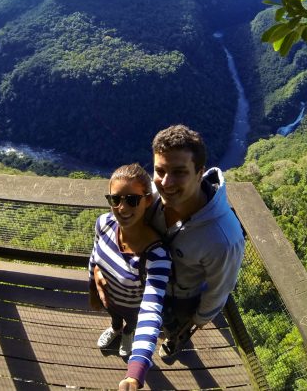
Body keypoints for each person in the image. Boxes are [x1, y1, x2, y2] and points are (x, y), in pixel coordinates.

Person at [95, 125, 245, 368]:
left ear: (200, 172)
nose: (166, 182)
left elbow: (219, 289)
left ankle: (176, 339)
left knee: (172, 329)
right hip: (147, 286)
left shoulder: (224, 237)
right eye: (160, 170)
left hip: (183, 299)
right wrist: (99, 269)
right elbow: (119, 225)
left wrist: (196, 320)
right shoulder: (150, 196)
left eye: (179, 172)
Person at [89, 163, 172, 390]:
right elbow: (95, 254)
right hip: (112, 300)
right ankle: (117, 329)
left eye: (132, 200)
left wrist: (135, 373)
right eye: (115, 199)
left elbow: (151, 311)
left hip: (136, 308)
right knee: (115, 320)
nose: (122, 208)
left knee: (133, 325)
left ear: (147, 200)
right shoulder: (104, 223)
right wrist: (94, 281)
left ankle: (128, 337)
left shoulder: (157, 255)